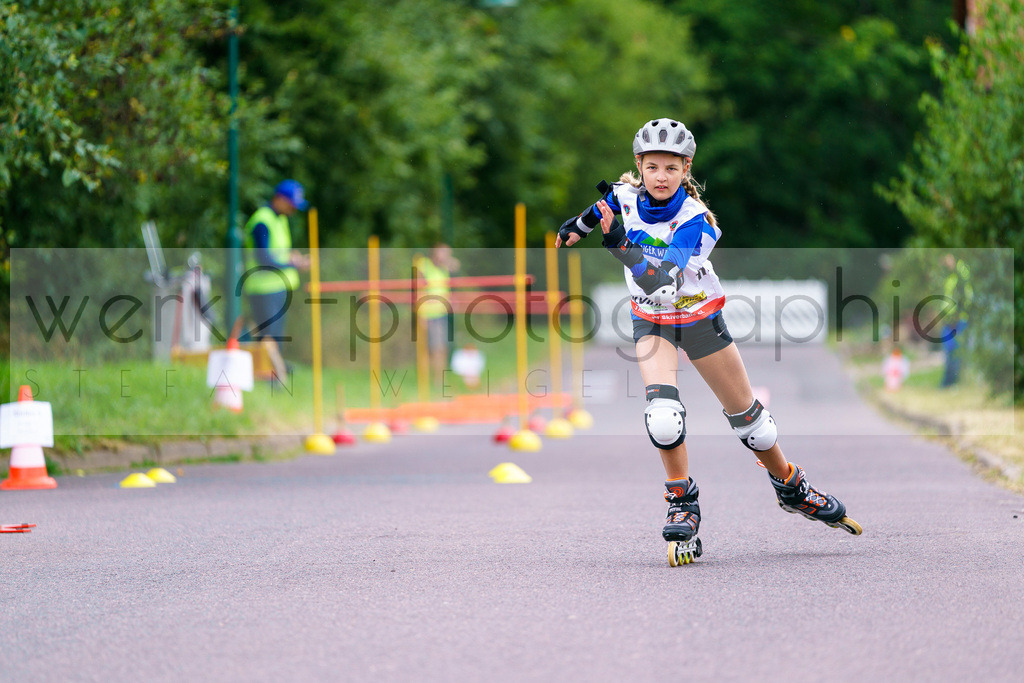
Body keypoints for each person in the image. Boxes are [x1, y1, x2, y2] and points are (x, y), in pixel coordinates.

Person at [555, 118, 861, 560]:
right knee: (662, 415)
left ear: (686, 169)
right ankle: (682, 501)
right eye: (653, 167)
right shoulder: (622, 196)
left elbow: (660, 280)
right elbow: (596, 213)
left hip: (698, 319)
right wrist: (576, 228)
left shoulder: (695, 221)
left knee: (752, 424)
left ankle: (791, 485)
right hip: (652, 322)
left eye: (671, 169)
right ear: (639, 166)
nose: (661, 177)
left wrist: (619, 246)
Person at [241, 179, 311, 381]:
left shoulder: (279, 219)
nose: (293, 210)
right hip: (263, 288)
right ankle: (268, 377)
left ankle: (273, 375)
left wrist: (292, 258)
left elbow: (278, 253)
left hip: (277, 287)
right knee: (268, 338)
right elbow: (264, 258)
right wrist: (293, 264)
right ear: (280, 199)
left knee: (274, 338)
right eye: (291, 204)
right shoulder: (262, 221)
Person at [414, 244, 460, 389]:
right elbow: (418, 289)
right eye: (443, 253)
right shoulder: (424, 264)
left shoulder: (444, 268)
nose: (445, 256)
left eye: (448, 253)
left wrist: (447, 260)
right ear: (435, 252)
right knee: (431, 349)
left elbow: (456, 265)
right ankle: (432, 381)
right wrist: (420, 314)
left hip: (441, 312)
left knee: (441, 348)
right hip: (427, 313)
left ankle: (438, 379)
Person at [939, 253, 972, 388]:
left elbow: (964, 297)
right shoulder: (950, 276)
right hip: (949, 320)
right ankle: (948, 381)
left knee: (955, 352)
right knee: (949, 351)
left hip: (957, 320)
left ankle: (952, 382)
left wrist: (956, 317)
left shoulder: (961, 272)